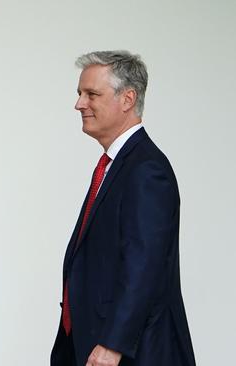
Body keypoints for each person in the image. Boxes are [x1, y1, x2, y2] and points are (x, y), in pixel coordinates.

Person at [51, 50, 195, 366]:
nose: (79, 104)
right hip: (92, 344)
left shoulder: (146, 169)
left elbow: (144, 266)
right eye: (79, 93)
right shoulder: (115, 165)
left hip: (129, 353)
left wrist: (112, 344)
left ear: (127, 99)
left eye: (91, 94)